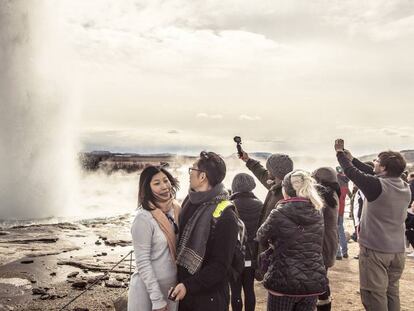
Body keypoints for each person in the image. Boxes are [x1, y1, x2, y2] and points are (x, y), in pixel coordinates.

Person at [334, 139, 411, 311]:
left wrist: (340, 153)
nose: (374, 162)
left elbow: (352, 173)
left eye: (377, 161)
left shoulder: (377, 186)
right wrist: (353, 158)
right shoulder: (404, 186)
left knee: (373, 296)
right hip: (397, 250)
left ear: (383, 168)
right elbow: (372, 174)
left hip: (376, 251)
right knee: (392, 293)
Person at [170, 151, 239, 311]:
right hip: (185, 293)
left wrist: (189, 286)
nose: (189, 174)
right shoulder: (190, 200)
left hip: (209, 299)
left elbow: (220, 266)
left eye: (192, 169)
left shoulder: (226, 215)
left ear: (202, 177)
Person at [257, 170, 327, 311]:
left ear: (286, 190)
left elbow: (260, 236)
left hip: (284, 280)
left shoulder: (279, 212)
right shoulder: (317, 211)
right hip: (312, 280)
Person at [128, 165, 181, 311]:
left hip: (172, 287)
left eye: (165, 180)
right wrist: (157, 299)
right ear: (147, 188)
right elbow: (142, 261)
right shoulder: (143, 218)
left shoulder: (176, 209)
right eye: (156, 183)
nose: (164, 186)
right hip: (147, 290)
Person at [239, 150, 293, 279]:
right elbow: (262, 174)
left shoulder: (286, 193)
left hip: (278, 257)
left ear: (275, 173)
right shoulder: (277, 186)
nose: (267, 172)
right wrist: (248, 160)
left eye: (269, 170)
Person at [229, 173, 263, 311]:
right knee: (249, 289)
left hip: (234, 256)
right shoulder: (260, 204)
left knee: (235, 290)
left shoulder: (230, 205)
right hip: (252, 254)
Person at [312, 167, 340, 311]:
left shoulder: (321, 195)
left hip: (321, 243)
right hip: (330, 240)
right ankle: (325, 303)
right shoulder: (333, 193)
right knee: (322, 277)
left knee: (319, 280)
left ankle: (323, 305)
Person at [336, 166, 350, 259]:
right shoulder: (346, 181)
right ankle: (344, 251)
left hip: (335, 209)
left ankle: (338, 253)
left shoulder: (336, 179)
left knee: (334, 231)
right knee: (340, 229)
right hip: (341, 209)